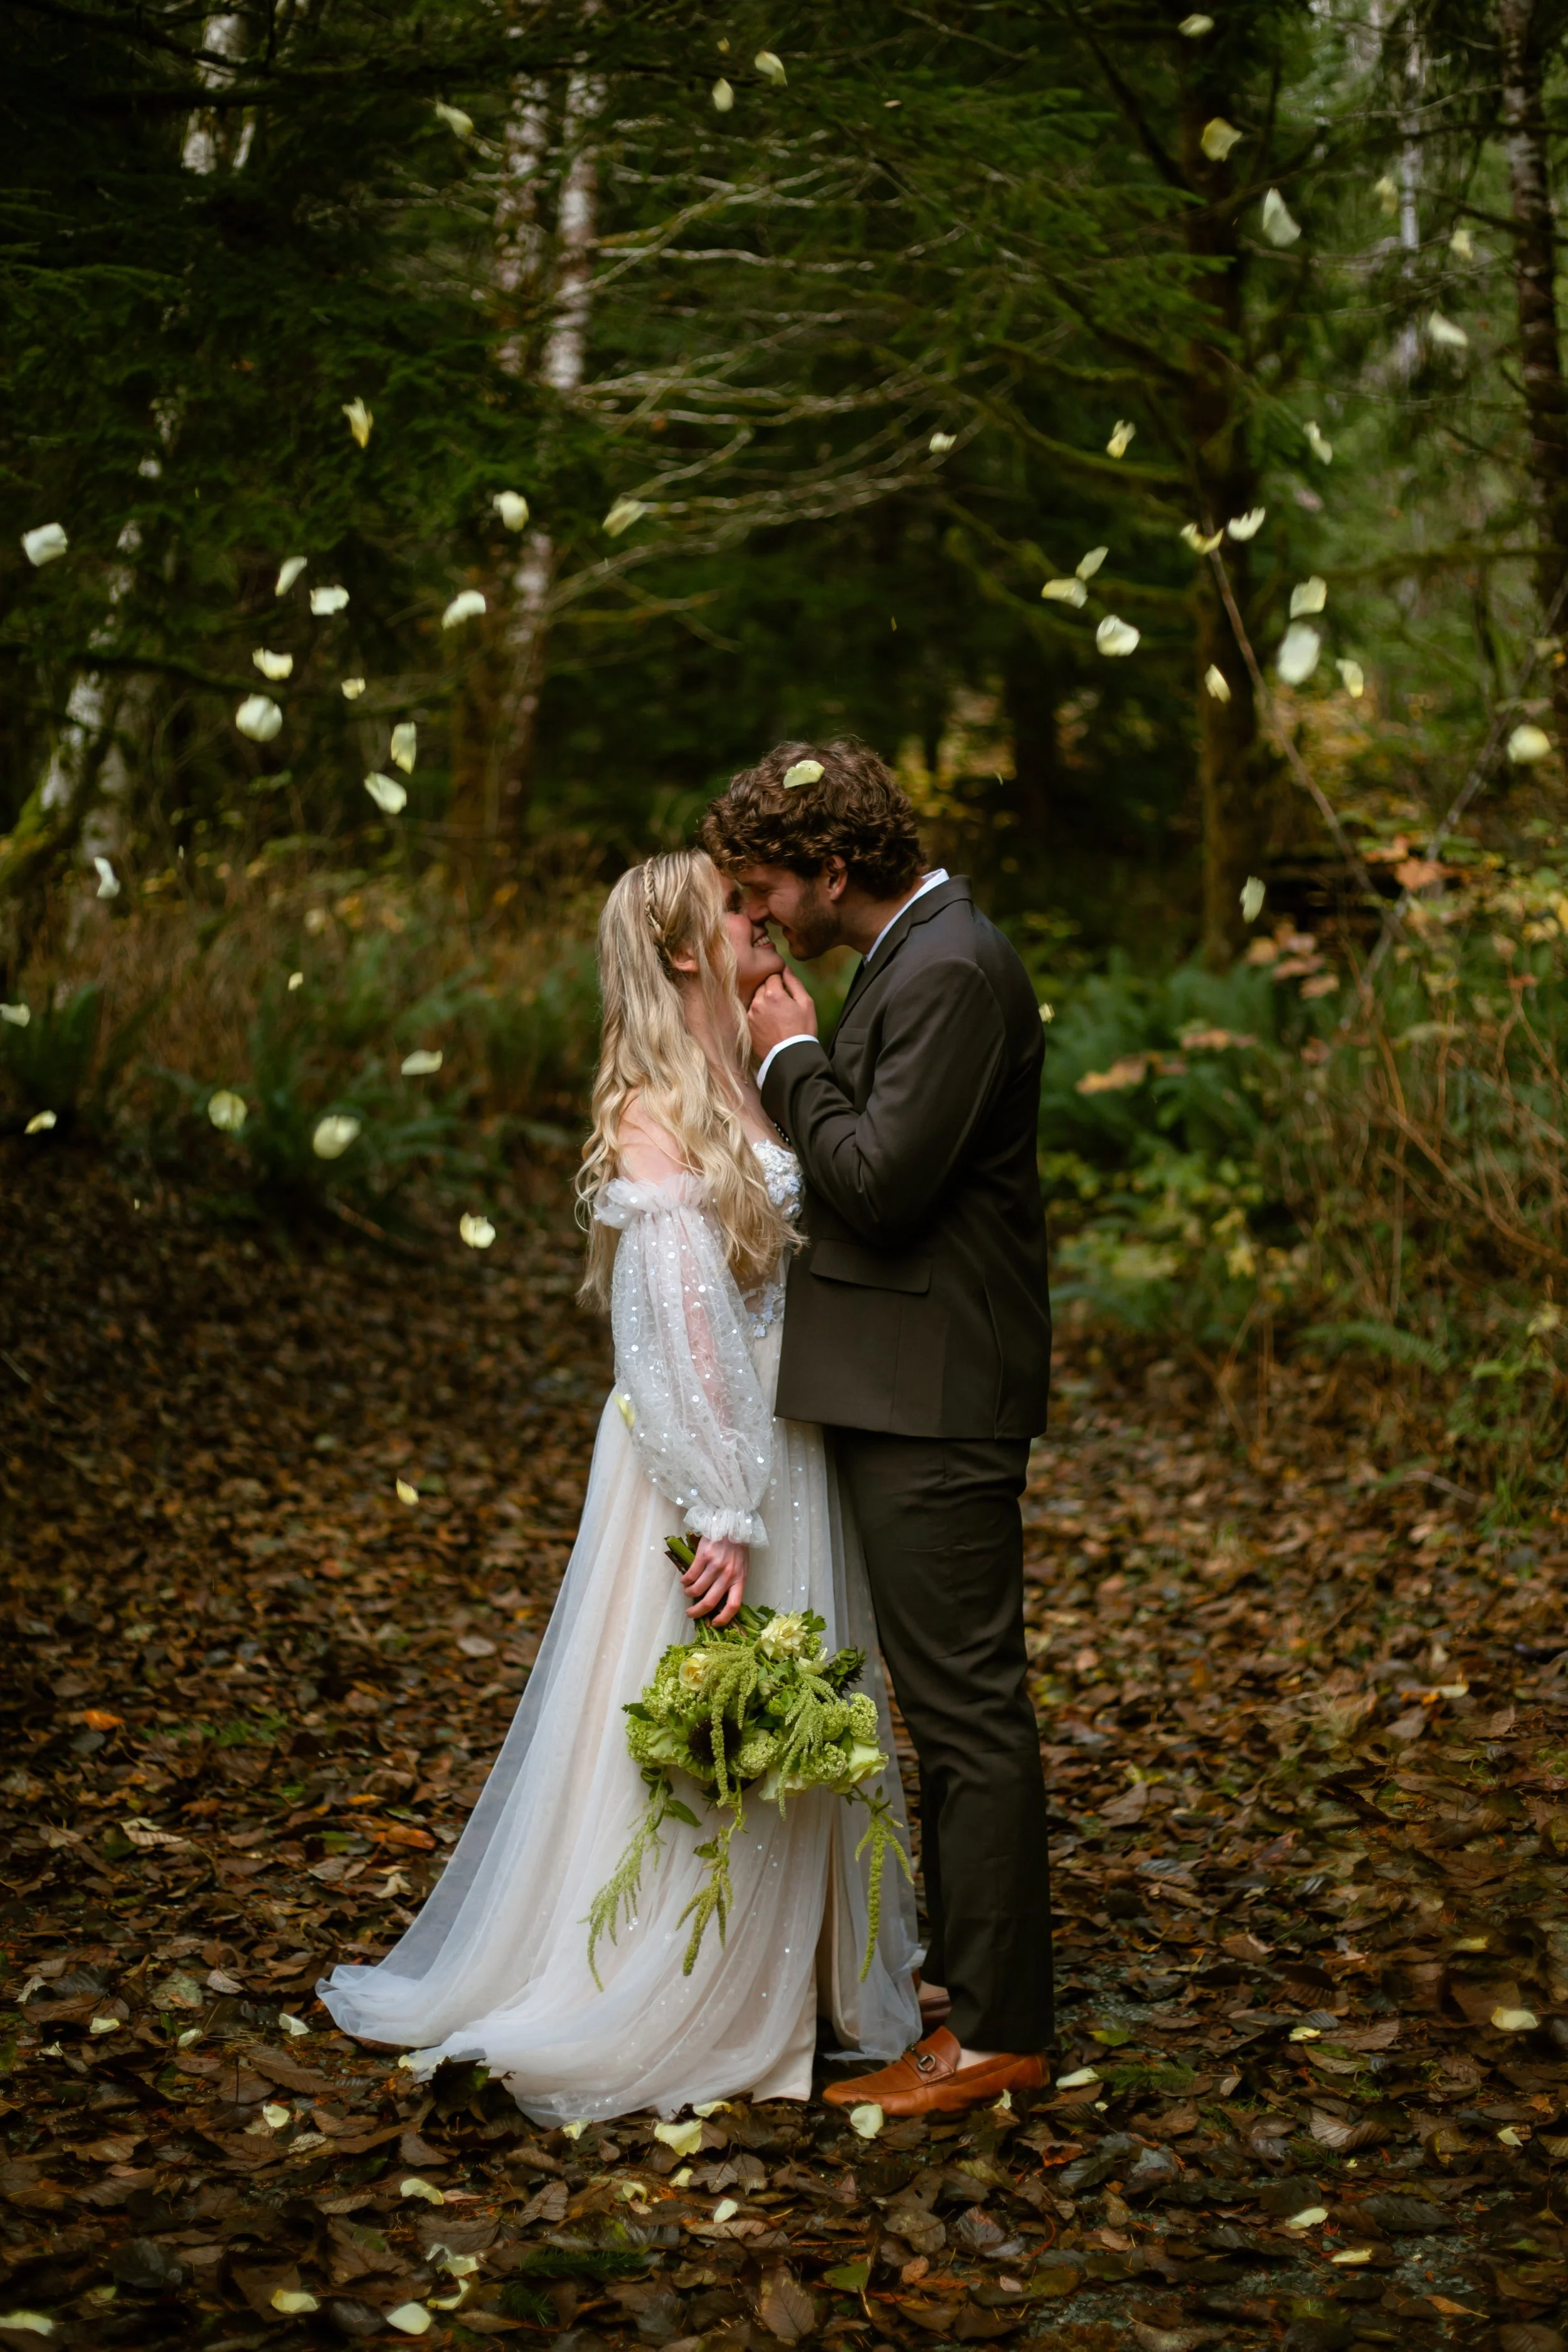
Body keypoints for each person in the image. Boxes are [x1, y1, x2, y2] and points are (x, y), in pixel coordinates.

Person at [318, 849, 919, 2121]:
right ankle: (685, 1977)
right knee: (706, 1717)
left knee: (806, 1703)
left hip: (788, 1441)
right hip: (704, 1457)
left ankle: (807, 1980)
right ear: (687, 950)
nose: (759, 914)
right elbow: (668, 1322)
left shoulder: (750, 1073)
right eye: (731, 906)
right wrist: (718, 1502)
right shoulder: (652, 1101)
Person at [701, 739, 1054, 2117]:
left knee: (965, 1710)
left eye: (764, 886)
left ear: (830, 870)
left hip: (938, 1397)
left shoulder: (952, 966)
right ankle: (968, 1981)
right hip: (900, 1385)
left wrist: (787, 1053)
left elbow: (881, 1183)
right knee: (939, 1701)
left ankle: (999, 2036)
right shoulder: (914, 955)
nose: (757, 917)